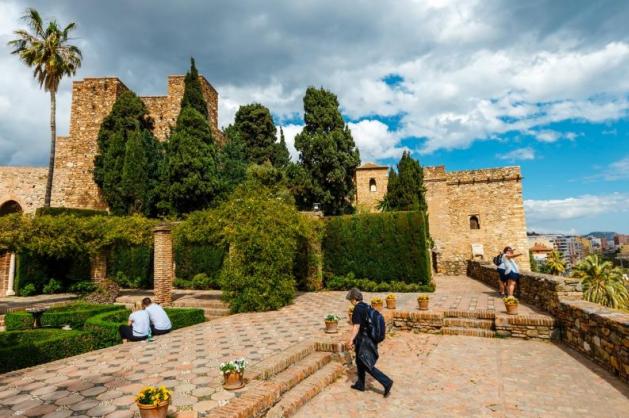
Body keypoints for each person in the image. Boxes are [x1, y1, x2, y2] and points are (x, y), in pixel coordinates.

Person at [345, 288, 393, 397]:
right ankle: (360, 384)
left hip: (363, 340)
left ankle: (386, 382)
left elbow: (356, 326)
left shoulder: (357, 309)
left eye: (350, 300)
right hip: (369, 338)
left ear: (354, 299)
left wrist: (351, 339)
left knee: (366, 364)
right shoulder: (366, 306)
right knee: (359, 361)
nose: (350, 302)